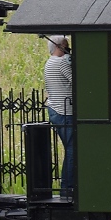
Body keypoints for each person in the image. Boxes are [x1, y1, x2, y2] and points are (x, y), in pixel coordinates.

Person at [44, 34, 75, 198]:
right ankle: (68, 188)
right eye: (66, 46)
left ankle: (67, 187)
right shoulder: (62, 62)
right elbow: (77, 80)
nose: (68, 49)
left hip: (55, 110)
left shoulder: (49, 63)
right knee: (72, 150)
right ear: (59, 46)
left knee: (70, 148)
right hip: (66, 112)